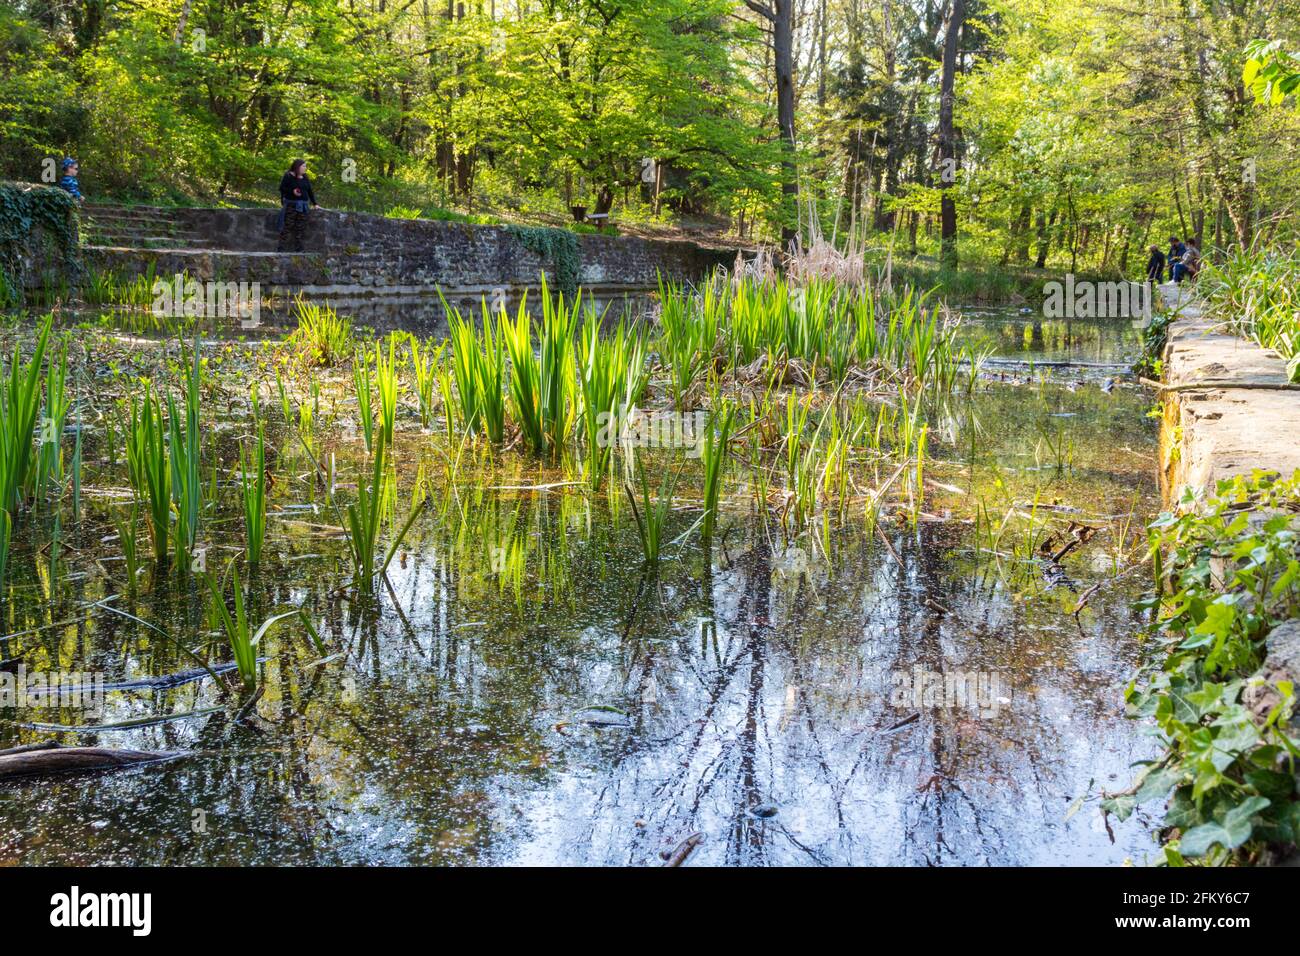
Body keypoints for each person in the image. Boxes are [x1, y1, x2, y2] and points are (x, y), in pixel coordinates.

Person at [277, 159, 318, 252]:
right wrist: (292, 191)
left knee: (300, 227)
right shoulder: (288, 176)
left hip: (303, 206)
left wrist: (315, 203)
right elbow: (282, 189)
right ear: (297, 166)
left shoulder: (305, 177)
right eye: (303, 166)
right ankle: (281, 248)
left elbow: (310, 191)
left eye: (305, 166)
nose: (305, 168)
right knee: (288, 226)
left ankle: (298, 248)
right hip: (292, 205)